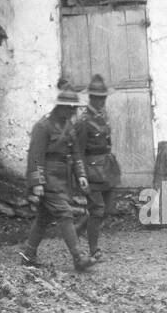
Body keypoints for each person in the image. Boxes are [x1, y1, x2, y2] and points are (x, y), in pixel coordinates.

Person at [18, 83, 96, 272]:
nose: (73, 112)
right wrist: (37, 183)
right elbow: (35, 156)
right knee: (64, 213)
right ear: (61, 106)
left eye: (74, 109)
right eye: (70, 108)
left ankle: (28, 254)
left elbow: (75, 152)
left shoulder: (68, 126)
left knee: (44, 217)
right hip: (48, 176)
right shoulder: (43, 126)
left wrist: (81, 175)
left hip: (63, 177)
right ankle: (78, 258)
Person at [74, 75, 123, 260]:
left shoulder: (103, 116)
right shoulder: (83, 121)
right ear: (91, 98)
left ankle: (78, 229)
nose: (102, 100)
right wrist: (81, 175)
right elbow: (77, 151)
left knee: (109, 208)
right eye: (98, 97)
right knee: (97, 209)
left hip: (107, 167)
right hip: (91, 170)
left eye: (104, 97)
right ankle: (94, 249)